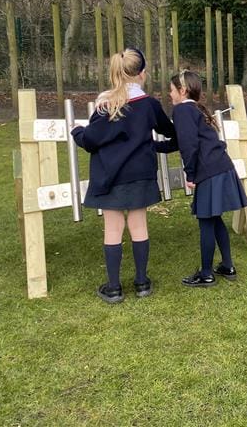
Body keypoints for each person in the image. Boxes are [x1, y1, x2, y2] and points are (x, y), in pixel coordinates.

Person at [71, 48, 176, 303]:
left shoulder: (105, 105)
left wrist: (76, 131)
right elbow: (170, 131)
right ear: (142, 73)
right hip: (140, 173)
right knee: (139, 225)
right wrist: (154, 146)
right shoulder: (149, 105)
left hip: (110, 175)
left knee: (113, 229)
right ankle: (142, 283)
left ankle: (114, 287)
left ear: (114, 73)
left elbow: (91, 140)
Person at [155, 70, 247, 287]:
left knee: (206, 221)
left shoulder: (182, 110)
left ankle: (206, 274)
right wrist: (149, 146)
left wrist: (191, 174)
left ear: (182, 90)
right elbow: (179, 142)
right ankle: (228, 266)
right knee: (214, 219)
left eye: (171, 90)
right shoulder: (194, 109)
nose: (169, 94)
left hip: (209, 172)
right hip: (221, 167)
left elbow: (189, 146)